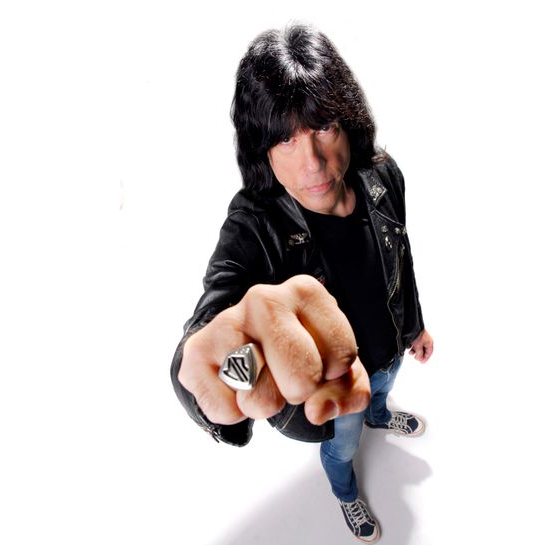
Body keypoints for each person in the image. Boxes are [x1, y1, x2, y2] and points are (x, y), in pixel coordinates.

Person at [170, 23, 434, 543]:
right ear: (262, 150)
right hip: (337, 390)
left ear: (348, 122)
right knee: (342, 447)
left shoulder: (384, 176)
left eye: (323, 127)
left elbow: (402, 258)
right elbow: (208, 335)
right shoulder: (252, 224)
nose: (311, 162)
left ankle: (381, 414)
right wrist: (224, 367)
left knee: (382, 393)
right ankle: (345, 492)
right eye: (286, 139)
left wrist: (415, 327)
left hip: (388, 353)